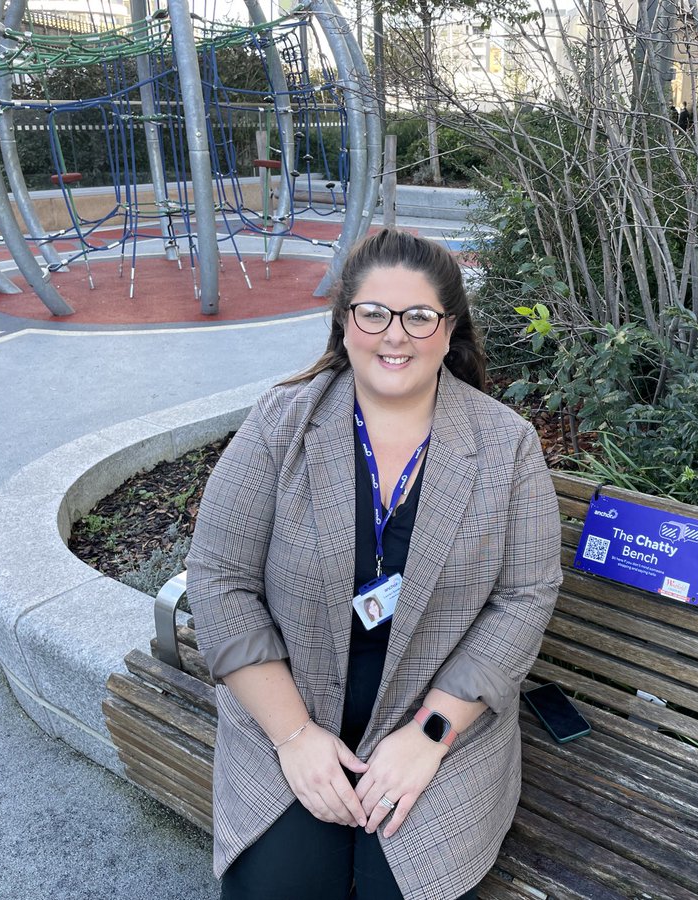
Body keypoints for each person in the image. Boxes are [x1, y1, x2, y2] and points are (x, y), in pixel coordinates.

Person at [185, 228, 563, 900]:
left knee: (403, 888)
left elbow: (524, 600)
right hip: (291, 711)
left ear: (450, 331)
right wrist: (294, 736)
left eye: (419, 316)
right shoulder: (282, 423)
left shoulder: (505, 446)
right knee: (278, 890)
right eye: (374, 314)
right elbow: (220, 577)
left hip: (440, 727)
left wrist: (430, 736)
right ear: (344, 323)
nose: (397, 336)